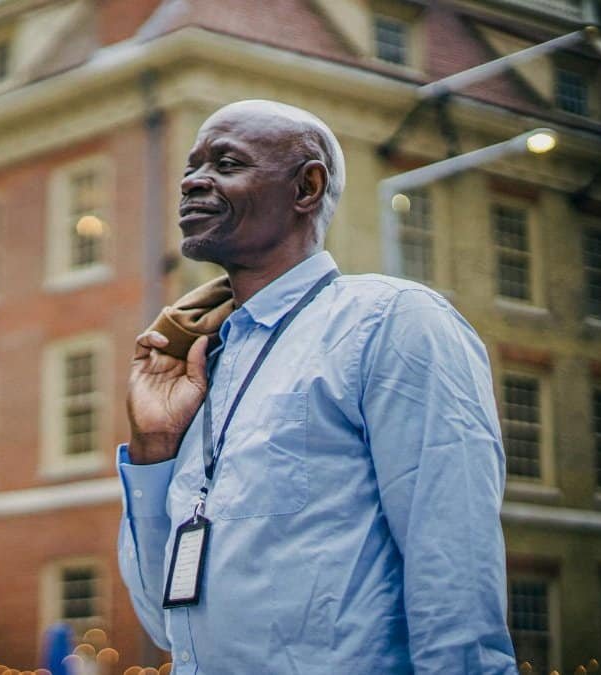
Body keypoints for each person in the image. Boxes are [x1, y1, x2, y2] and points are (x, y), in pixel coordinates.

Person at [117, 100, 517, 673]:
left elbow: (454, 567)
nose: (193, 183)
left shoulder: (391, 321)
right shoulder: (205, 362)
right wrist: (153, 447)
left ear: (307, 186)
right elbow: (165, 620)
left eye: (226, 164)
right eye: (191, 166)